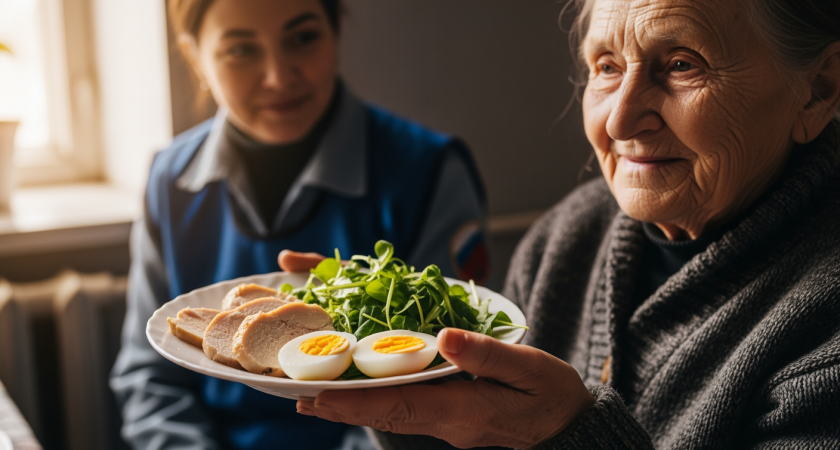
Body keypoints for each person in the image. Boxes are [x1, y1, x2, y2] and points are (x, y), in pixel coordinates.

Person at [290, 0, 840, 448]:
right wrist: (414, 385)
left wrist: (568, 432)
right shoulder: (566, 237)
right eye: (606, 67)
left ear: (817, 91)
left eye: (681, 64)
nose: (621, 119)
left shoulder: (825, 326)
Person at [109, 0, 488, 449]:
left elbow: (448, 378)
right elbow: (149, 378)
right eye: (241, 50)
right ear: (194, 56)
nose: (278, 76)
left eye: (302, 38)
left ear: (335, 34)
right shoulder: (170, 181)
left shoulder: (428, 172)